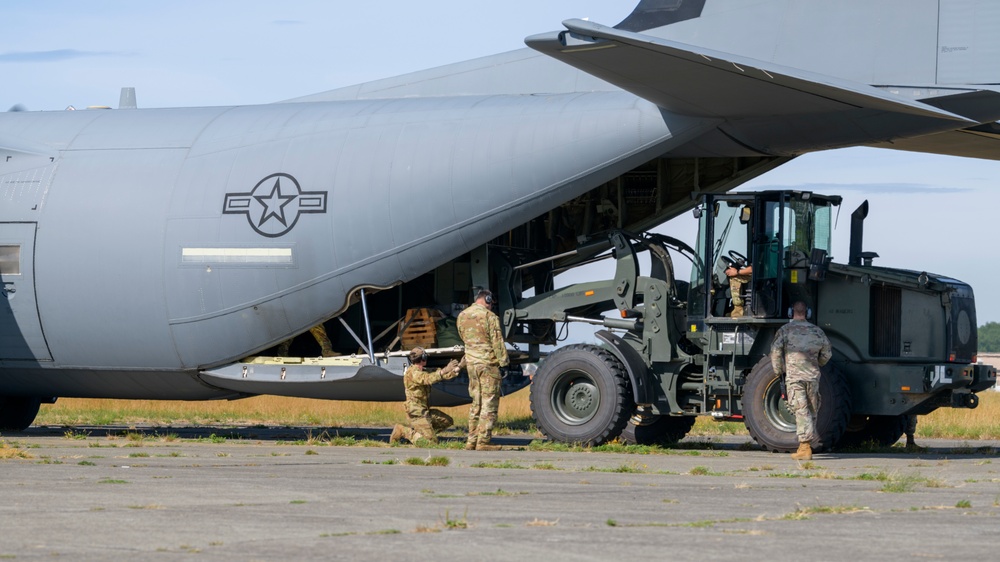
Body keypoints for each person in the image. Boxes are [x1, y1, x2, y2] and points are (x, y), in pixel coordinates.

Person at [770, 301, 832, 461]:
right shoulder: (817, 331)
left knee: (800, 409)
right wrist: (816, 364)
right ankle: (806, 444)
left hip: (795, 377)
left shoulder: (785, 330)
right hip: (812, 376)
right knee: (811, 409)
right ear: (807, 313)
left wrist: (779, 371)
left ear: (791, 313)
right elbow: (827, 354)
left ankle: (805, 447)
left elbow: (776, 352)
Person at [456, 288, 509, 451]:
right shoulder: (489, 317)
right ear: (487, 299)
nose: (491, 307)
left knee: (476, 402)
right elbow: (497, 343)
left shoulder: (462, 316)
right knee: (489, 403)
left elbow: (462, 337)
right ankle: (484, 441)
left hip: (471, 364)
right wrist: (504, 362)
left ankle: (471, 440)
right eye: (491, 303)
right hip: (487, 364)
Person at [389, 347, 463, 445]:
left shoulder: (423, 370)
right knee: (430, 443)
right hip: (416, 413)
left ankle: (422, 434)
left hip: (424, 410)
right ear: (423, 358)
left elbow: (440, 375)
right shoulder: (413, 373)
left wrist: (459, 367)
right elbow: (428, 379)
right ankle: (403, 431)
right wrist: (445, 370)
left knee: (447, 421)